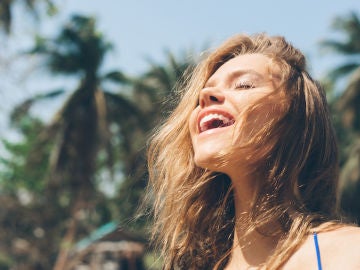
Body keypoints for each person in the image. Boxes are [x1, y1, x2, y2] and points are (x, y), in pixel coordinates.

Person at [146, 33, 360, 269]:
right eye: (203, 93)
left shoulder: (348, 254)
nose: (205, 97)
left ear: (294, 117)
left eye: (243, 85)